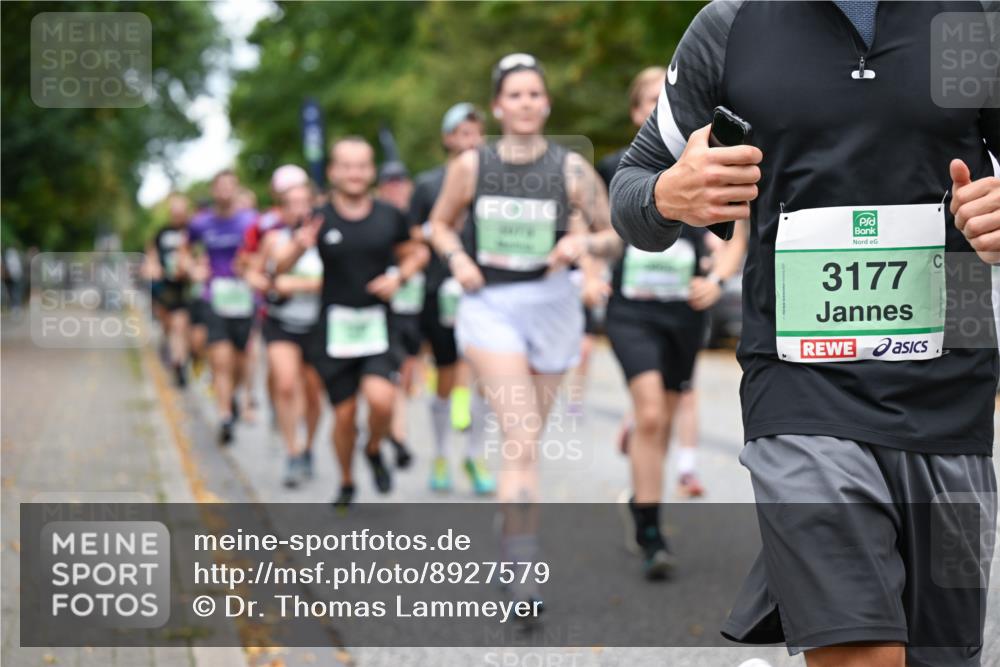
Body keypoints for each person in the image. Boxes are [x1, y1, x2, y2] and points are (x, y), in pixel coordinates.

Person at [611, 2, 999, 666]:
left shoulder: (974, 20)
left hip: (949, 395)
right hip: (798, 388)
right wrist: (670, 196)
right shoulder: (732, 26)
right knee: (861, 650)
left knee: (943, 656)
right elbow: (631, 189)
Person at [430, 54, 616, 609]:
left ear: (547, 103)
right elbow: (437, 224)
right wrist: (457, 257)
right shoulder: (470, 166)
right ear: (497, 106)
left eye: (536, 93)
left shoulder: (572, 170)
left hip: (553, 304)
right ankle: (522, 567)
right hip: (492, 305)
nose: (527, 102)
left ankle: (510, 533)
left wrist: (583, 246)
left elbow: (613, 235)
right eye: (515, 94)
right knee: (521, 436)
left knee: (527, 437)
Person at [277, 136, 428, 508]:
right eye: (346, 165)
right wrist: (299, 245)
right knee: (343, 417)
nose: (355, 173)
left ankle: (375, 447)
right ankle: (346, 481)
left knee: (382, 400)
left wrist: (399, 276)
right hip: (334, 328)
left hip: (378, 324)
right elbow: (278, 269)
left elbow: (416, 252)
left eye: (362, 165)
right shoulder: (318, 216)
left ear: (371, 170)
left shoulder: (389, 215)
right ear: (332, 171)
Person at [602, 66, 715, 500]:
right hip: (630, 310)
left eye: (666, 98)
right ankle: (650, 529)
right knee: (650, 415)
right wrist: (591, 271)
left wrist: (719, 279)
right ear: (635, 114)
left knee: (664, 417)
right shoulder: (615, 168)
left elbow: (733, 235)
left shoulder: (707, 162)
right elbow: (591, 227)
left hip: (683, 313)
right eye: (650, 100)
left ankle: (642, 501)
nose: (659, 107)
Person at [408, 102, 495, 494]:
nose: (470, 139)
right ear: (447, 138)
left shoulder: (498, 178)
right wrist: (439, 230)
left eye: (475, 132)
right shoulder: (428, 184)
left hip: (487, 287)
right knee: (446, 372)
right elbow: (411, 234)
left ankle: (475, 456)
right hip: (441, 287)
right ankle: (441, 454)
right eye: (462, 132)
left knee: (486, 377)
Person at [248, 181, 324, 488]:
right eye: (291, 203)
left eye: (304, 202)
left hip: (318, 324)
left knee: (314, 394)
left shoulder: (327, 239)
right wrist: (267, 285)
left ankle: (309, 448)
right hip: (281, 323)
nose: (298, 209)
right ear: (282, 207)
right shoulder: (273, 239)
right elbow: (256, 272)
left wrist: (299, 286)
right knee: (286, 384)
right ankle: (292, 451)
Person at [181, 170, 258, 445]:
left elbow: (264, 252)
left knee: (239, 362)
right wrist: (193, 269)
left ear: (236, 190)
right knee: (220, 360)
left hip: (245, 299)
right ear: (214, 191)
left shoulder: (251, 221)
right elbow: (185, 252)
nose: (225, 191)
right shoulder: (201, 223)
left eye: (230, 186)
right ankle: (224, 415)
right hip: (214, 297)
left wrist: (251, 266)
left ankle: (232, 398)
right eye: (220, 186)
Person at [146, 193, 194, 387]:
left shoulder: (193, 232)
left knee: (179, 325)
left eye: (181, 211)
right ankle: (172, 351)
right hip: (164, 287)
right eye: (174, 211)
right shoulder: (162, 233)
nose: (177, 214)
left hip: (184, 288)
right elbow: (152, 254)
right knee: (169, 326)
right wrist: (153, 266)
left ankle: (179, 364)